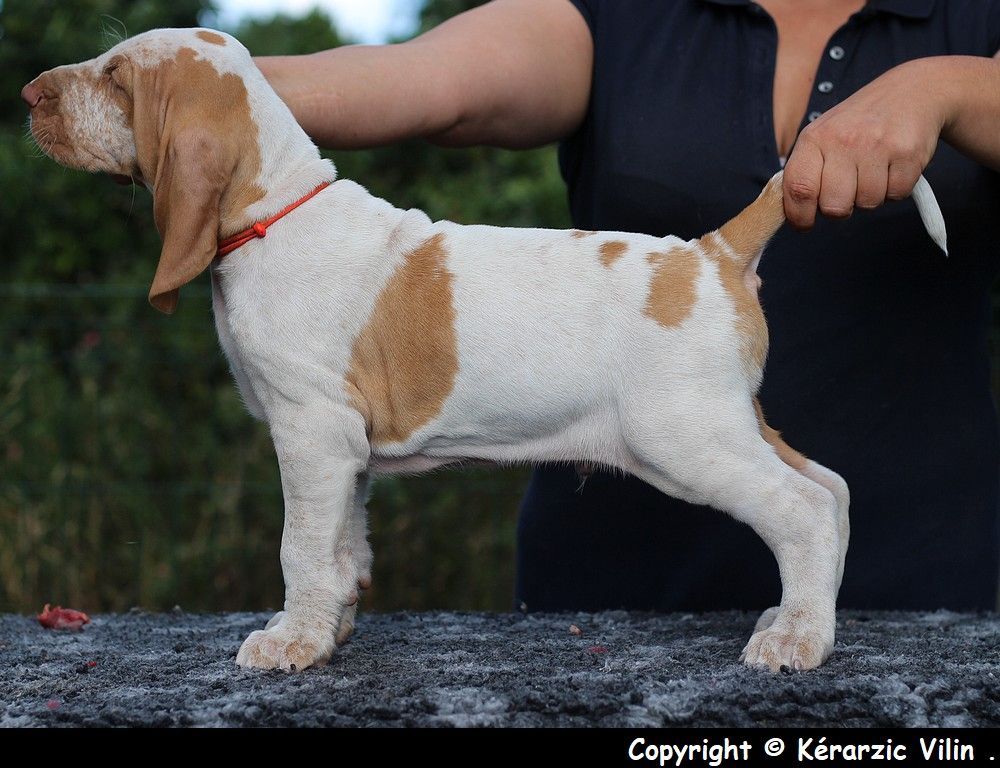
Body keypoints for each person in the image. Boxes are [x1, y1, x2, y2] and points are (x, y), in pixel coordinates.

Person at [256, 0, 1000, 612]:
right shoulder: (623, 13)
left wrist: (951, 87)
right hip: (601, 602)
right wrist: (207, 93)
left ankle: (806, 544)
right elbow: (430, 79)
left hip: (929, 582)